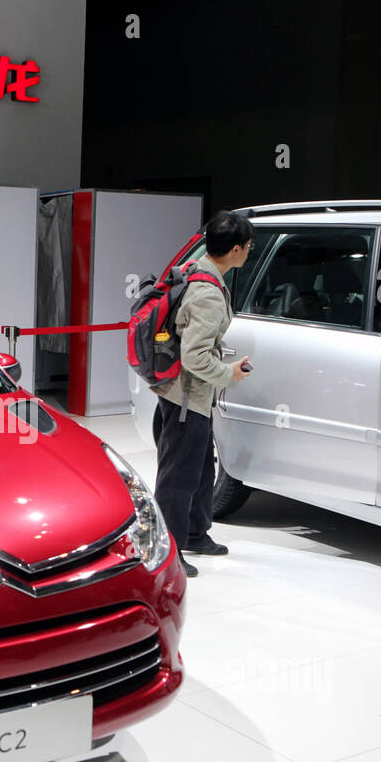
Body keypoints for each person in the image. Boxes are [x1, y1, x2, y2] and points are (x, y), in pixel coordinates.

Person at [151, 210, 254, 577]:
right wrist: (228, 374)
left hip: (188, 394)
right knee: (178, 475)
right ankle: (169, 550)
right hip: (186, 397)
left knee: (199, 465)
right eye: (248, 246)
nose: (249, 252)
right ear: (237, 250)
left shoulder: (198, 268)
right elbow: (194, 355)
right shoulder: (207, 292)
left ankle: (195, 532)